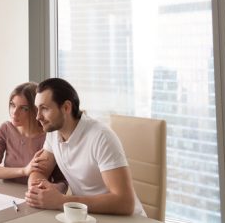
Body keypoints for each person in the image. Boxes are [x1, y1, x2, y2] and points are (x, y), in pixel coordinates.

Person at [24, 78, 145, 216]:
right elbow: (39, 170)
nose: (38, 117)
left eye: (44, 109)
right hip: (86, 216)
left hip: (124, 219)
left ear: (66, 108)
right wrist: (36, 191)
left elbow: (125, 203)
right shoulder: (53, 133)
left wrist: (61, 201)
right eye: (37, 109)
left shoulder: (101, 137)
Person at [0, 82, 46, 184]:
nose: (14, 112)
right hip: (6, 194)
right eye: (13, 105)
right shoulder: (6, 129)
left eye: (24, 108)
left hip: (34, 196)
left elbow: (61, 181)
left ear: (36, 110)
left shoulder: (48, 137)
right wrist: (24, 170)